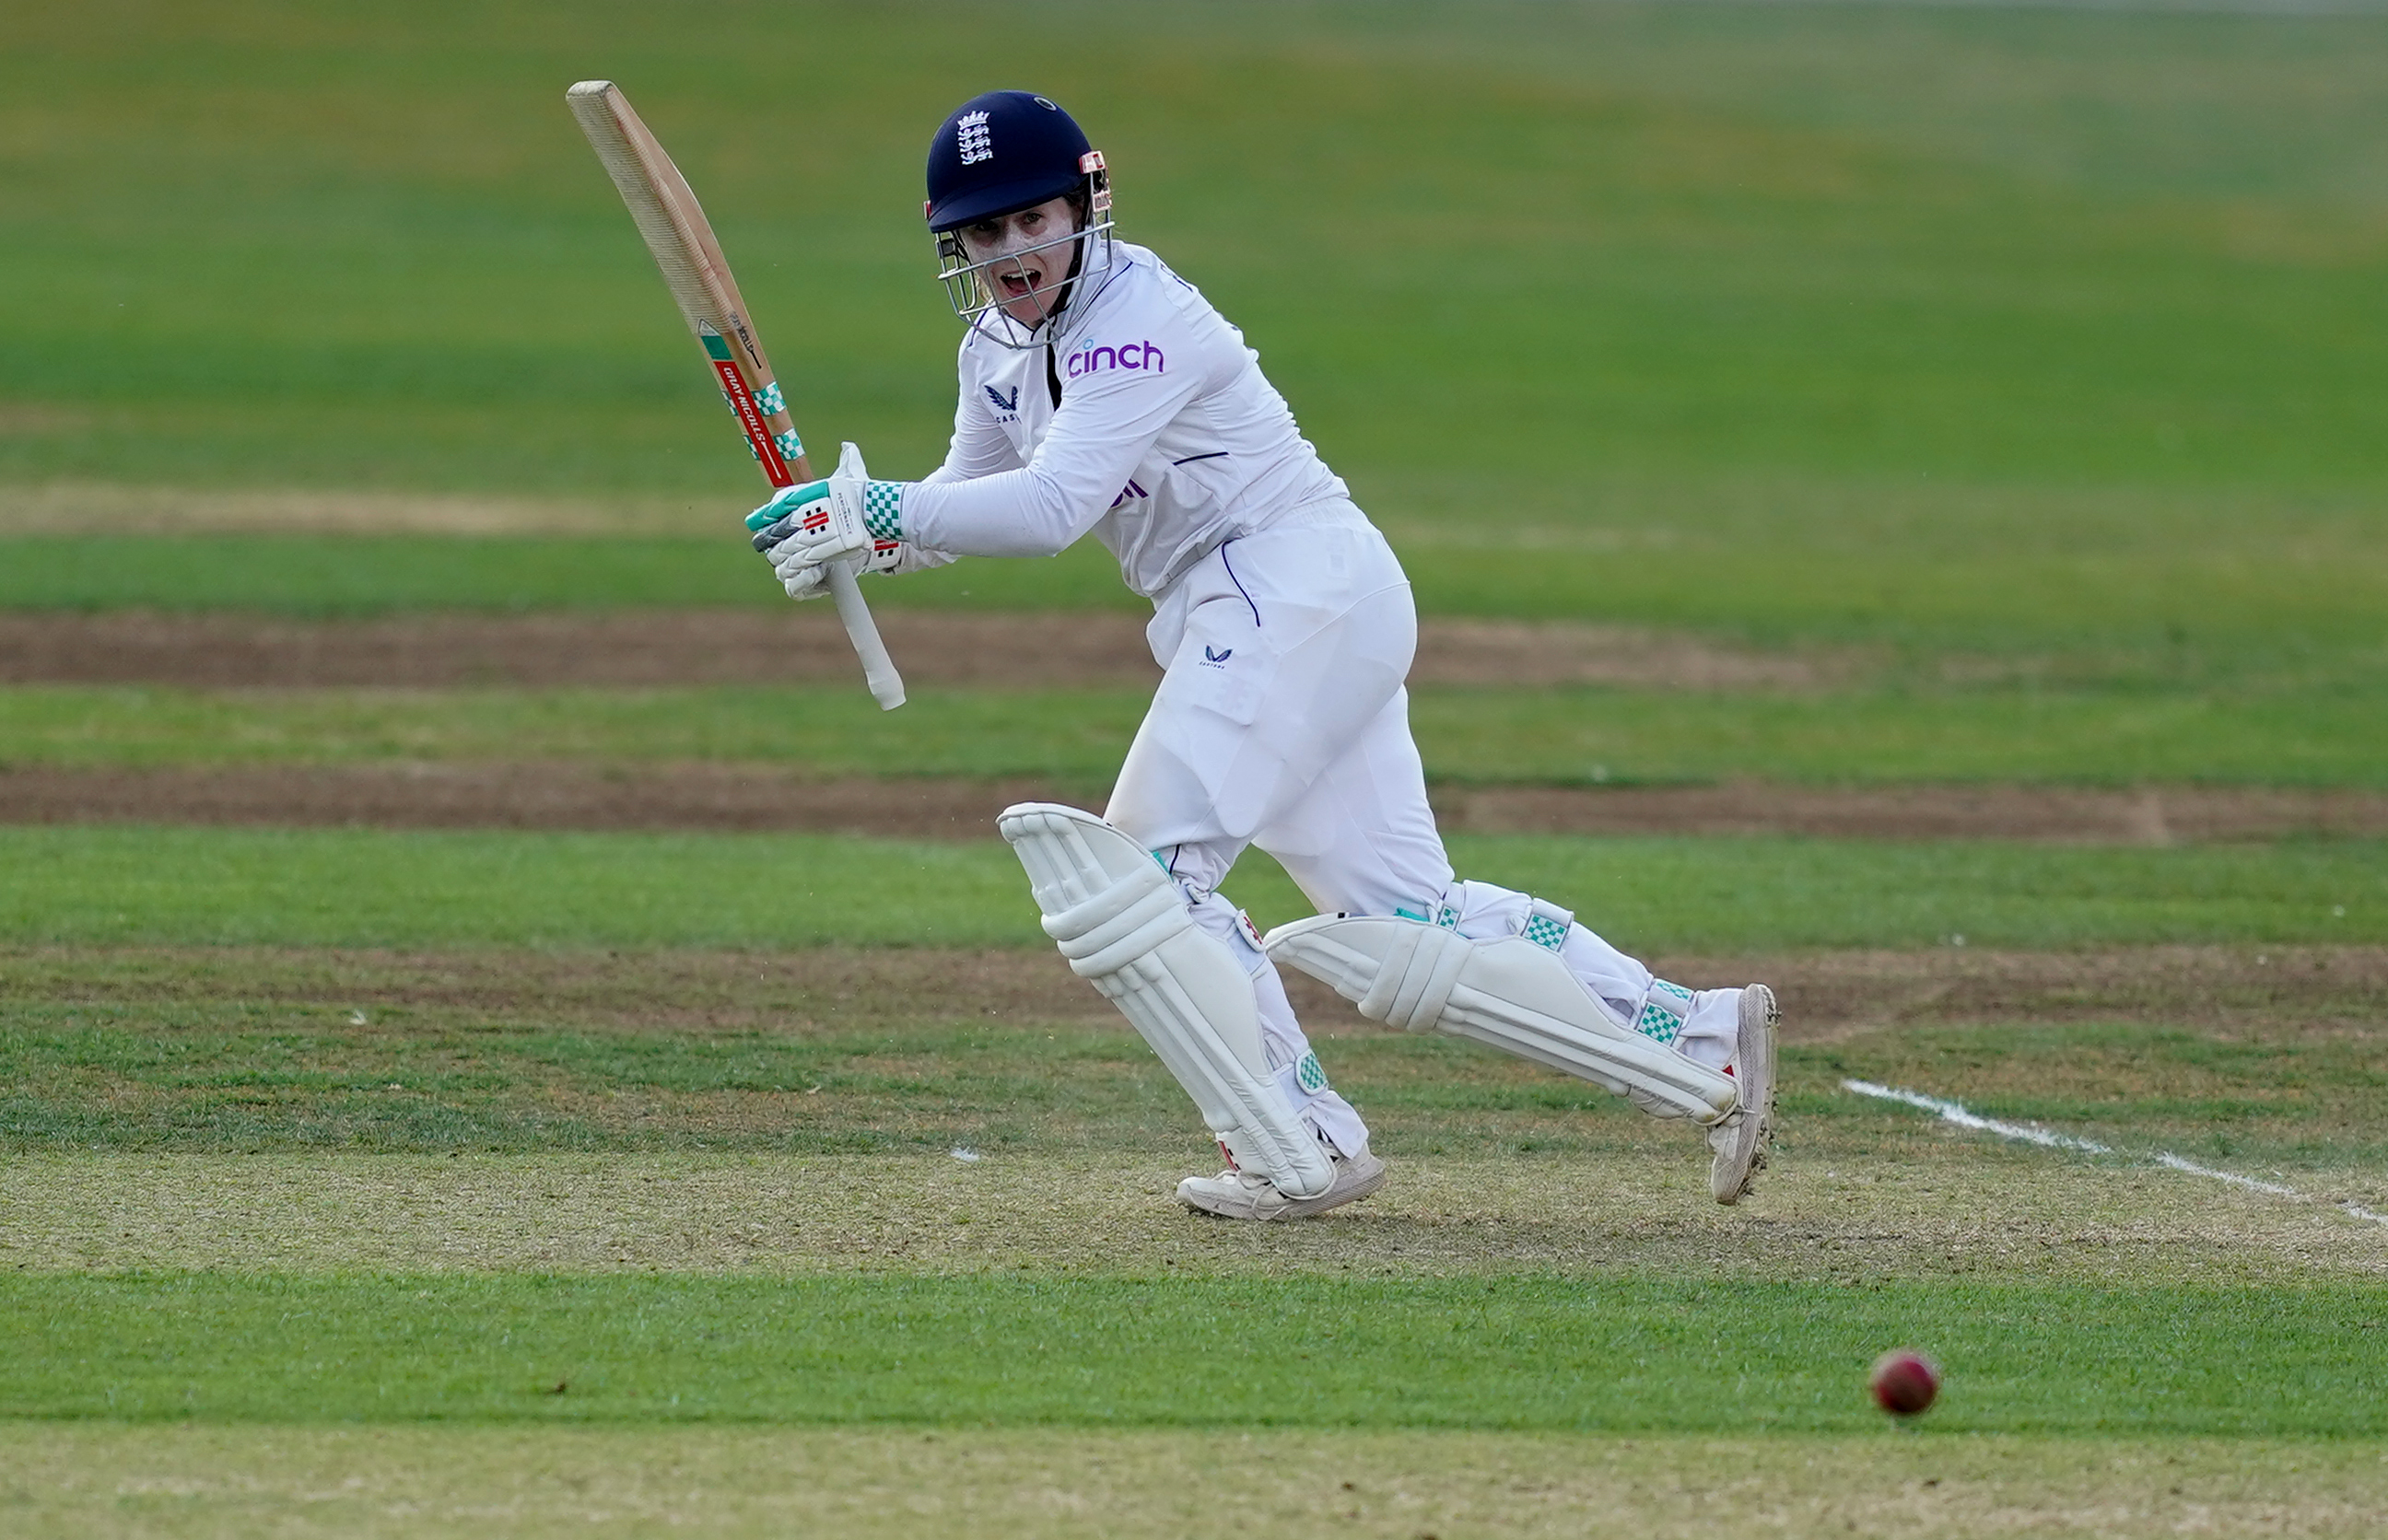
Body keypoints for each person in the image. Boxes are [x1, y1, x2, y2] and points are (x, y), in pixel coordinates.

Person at [748, 90, 1778, 1220]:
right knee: (1410, 921)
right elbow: (967, 500)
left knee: (1140, 879)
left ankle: (1294, 1142)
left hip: (1284, 585)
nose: (1011, 252)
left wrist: (874, 508)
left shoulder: (1140, 321)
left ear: (1085, 205)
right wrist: (854, 538)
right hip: (1281, 604)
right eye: (984, 232)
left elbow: (1048, 510)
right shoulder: (993, 348)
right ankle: (1703, 1034)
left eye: (1031, 220)